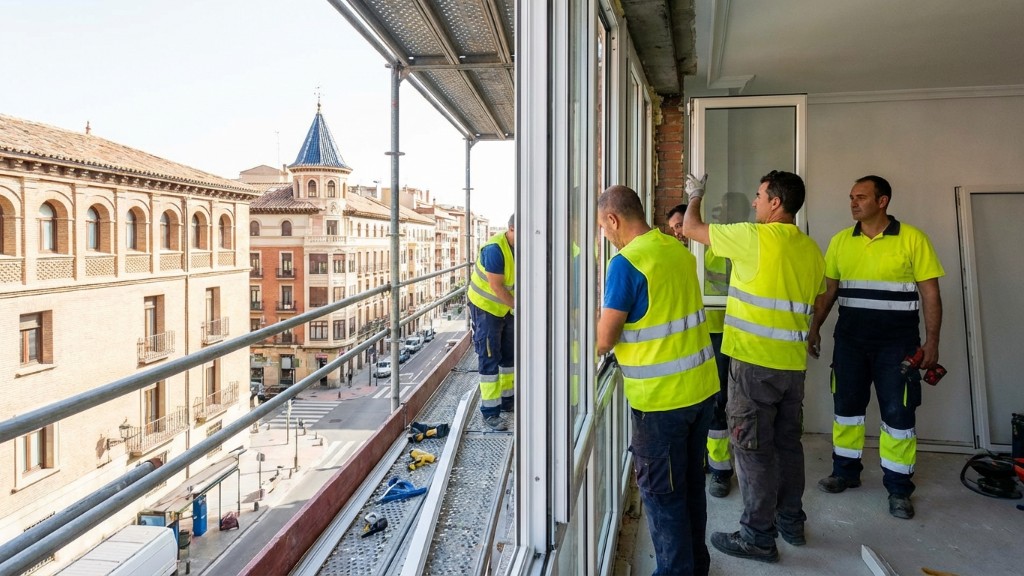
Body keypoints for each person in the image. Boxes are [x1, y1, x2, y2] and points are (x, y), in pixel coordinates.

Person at [683, 170, 825, 563]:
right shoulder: (811, 249)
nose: (754, 202)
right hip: (791, 367)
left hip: (753, 366)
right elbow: (817, 296)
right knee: (787, 445)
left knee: (752, 451)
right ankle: (790, 521)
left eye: (759, 196)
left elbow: (691, 228)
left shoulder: (754, 237)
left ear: (776, 202)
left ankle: (758, 537)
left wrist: (695, 194)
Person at [598, 186, 719, 576]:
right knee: (690, 486)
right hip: (701, 391)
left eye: (603, 226)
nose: (605, 235)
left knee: (663, 496)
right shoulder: (676, 250)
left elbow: (604, 340)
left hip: (661, 403)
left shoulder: (626, 263)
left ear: (613, 219)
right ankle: (696, 565)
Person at [808, 175, 944, 520]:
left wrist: (932, 342)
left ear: (882, 201)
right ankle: (844, 472)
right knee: (846, 410)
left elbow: (931, 294)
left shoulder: (912, 239)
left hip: (897, 346)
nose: (853, 203)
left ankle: (898, 489)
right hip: (850, 343)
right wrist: (815, 328)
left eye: (861, 197)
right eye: (851, 197)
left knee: (898, 415)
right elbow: (828, 292)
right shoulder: (841, 241)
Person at [668, 202, 733, 498]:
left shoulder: (717, 250)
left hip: (717, 333)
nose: (678, 232)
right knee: (692, 401)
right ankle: (704, 460)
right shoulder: (674, 255)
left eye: (681, 225)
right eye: (674, 228)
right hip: (687, 337)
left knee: (717, 400)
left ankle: (720, 469)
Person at [468, 214, 516, 431]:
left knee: (509, 356)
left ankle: (507, 400)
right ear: (511, 229)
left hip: (506, 308)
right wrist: (520, 307)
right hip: (485, 308)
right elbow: (497, 287)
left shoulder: (522, 248)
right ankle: (490, 412)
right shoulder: (495, 250)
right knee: (489, 357)